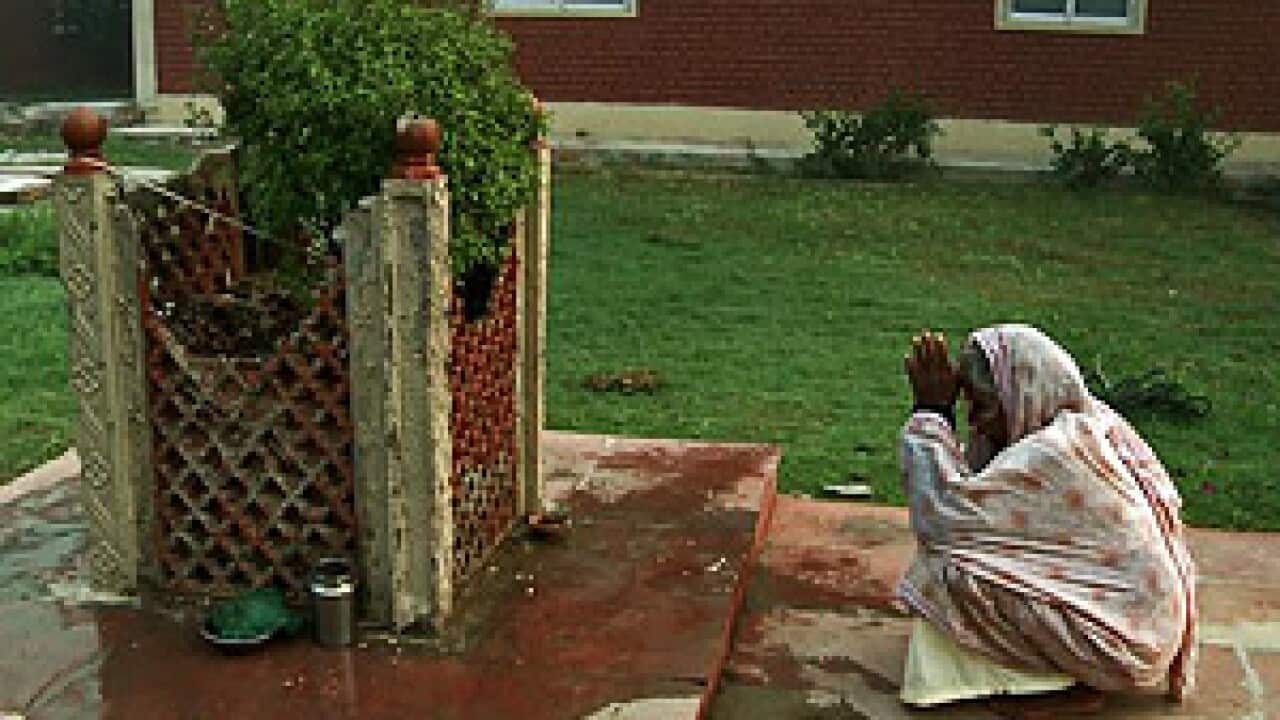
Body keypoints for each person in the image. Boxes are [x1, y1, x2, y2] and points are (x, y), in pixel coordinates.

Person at [896, 324, 1197, 709]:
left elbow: (942, 522)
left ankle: (1053, 681)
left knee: (948, 572)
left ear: (1021, 395)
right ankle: (1054, 670)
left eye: (983, 406)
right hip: (1139, 628)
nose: (975, 421)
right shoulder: (1087, 421)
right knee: (968, 559)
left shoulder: (1052, 453)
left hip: (1123, 643)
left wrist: (931, 412)